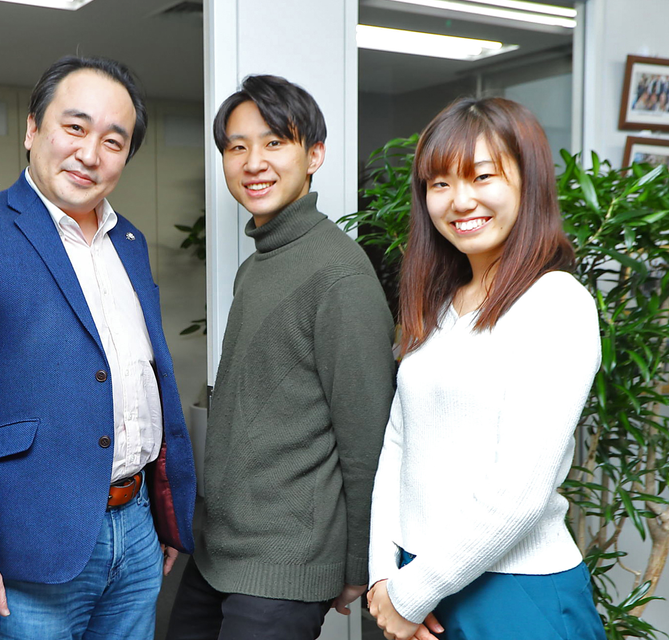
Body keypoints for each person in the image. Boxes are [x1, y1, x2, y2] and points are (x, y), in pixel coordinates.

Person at [0, 55, 196, 640]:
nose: (90, 154)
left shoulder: (129, 241)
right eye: (75, 127)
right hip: (26, 546)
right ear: (33, 129)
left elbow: (139, 374)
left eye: (113, 141)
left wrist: (164, 516)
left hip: (136, 529)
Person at [166, 75, 396, 640]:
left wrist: (359, 565)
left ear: (314, 155)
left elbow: (368, 437)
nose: (253, 162)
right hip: (220, 551)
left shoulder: (339, 275)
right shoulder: (256, 266)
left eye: (274, 143)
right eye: (236, 147)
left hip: (284, 562)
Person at [367, 97, 605, 640]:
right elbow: (398, 447)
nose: (460, 200)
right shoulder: (439, 305)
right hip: (420, 579)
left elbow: (519, 492)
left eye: (481, 177)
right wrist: (383, 575)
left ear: (528, 182)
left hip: (513, 591)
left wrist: (408, 595)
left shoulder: (556, 303)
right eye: (440, 183)